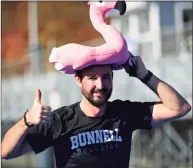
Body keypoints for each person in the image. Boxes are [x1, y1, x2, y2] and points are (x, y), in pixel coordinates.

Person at [1, 53, 191, 168]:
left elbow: (180, 108)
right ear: (78, 79)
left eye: (106, 77)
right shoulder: (61, 120)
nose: (100, 85)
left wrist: (145, 75)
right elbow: (6, 152)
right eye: (92, 78)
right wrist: (26, 120)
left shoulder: (124, 112)